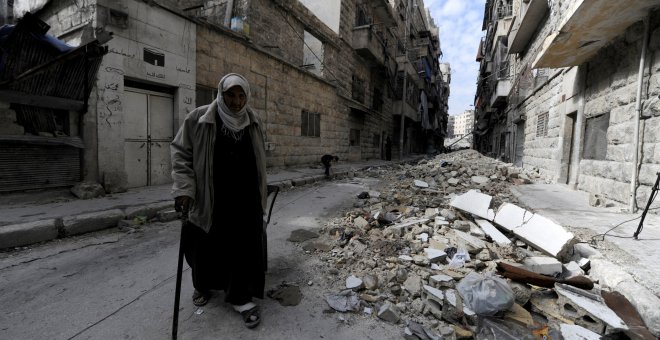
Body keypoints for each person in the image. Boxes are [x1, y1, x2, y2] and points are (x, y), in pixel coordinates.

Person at [170, 73, 267, 329]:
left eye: (241, 95)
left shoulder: (253, 120)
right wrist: (184, 188)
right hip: (209, 197)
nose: (236, 101)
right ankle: (203, 286)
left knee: (244, 248)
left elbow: (259, 157)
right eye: (231, 95)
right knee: (202, 246)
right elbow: (181, 154)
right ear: (220, 94)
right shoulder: (199, 118)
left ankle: (240, 297)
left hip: (246, 198)